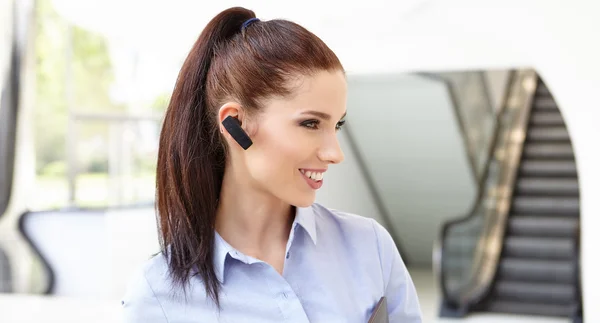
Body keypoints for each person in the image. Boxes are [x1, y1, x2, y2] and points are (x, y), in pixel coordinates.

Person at [121, 6, 422, 323]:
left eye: (337, 126)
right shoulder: (157, 299)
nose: (335, 153)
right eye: (310, 124)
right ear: (236, 124)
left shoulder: (370, 247)